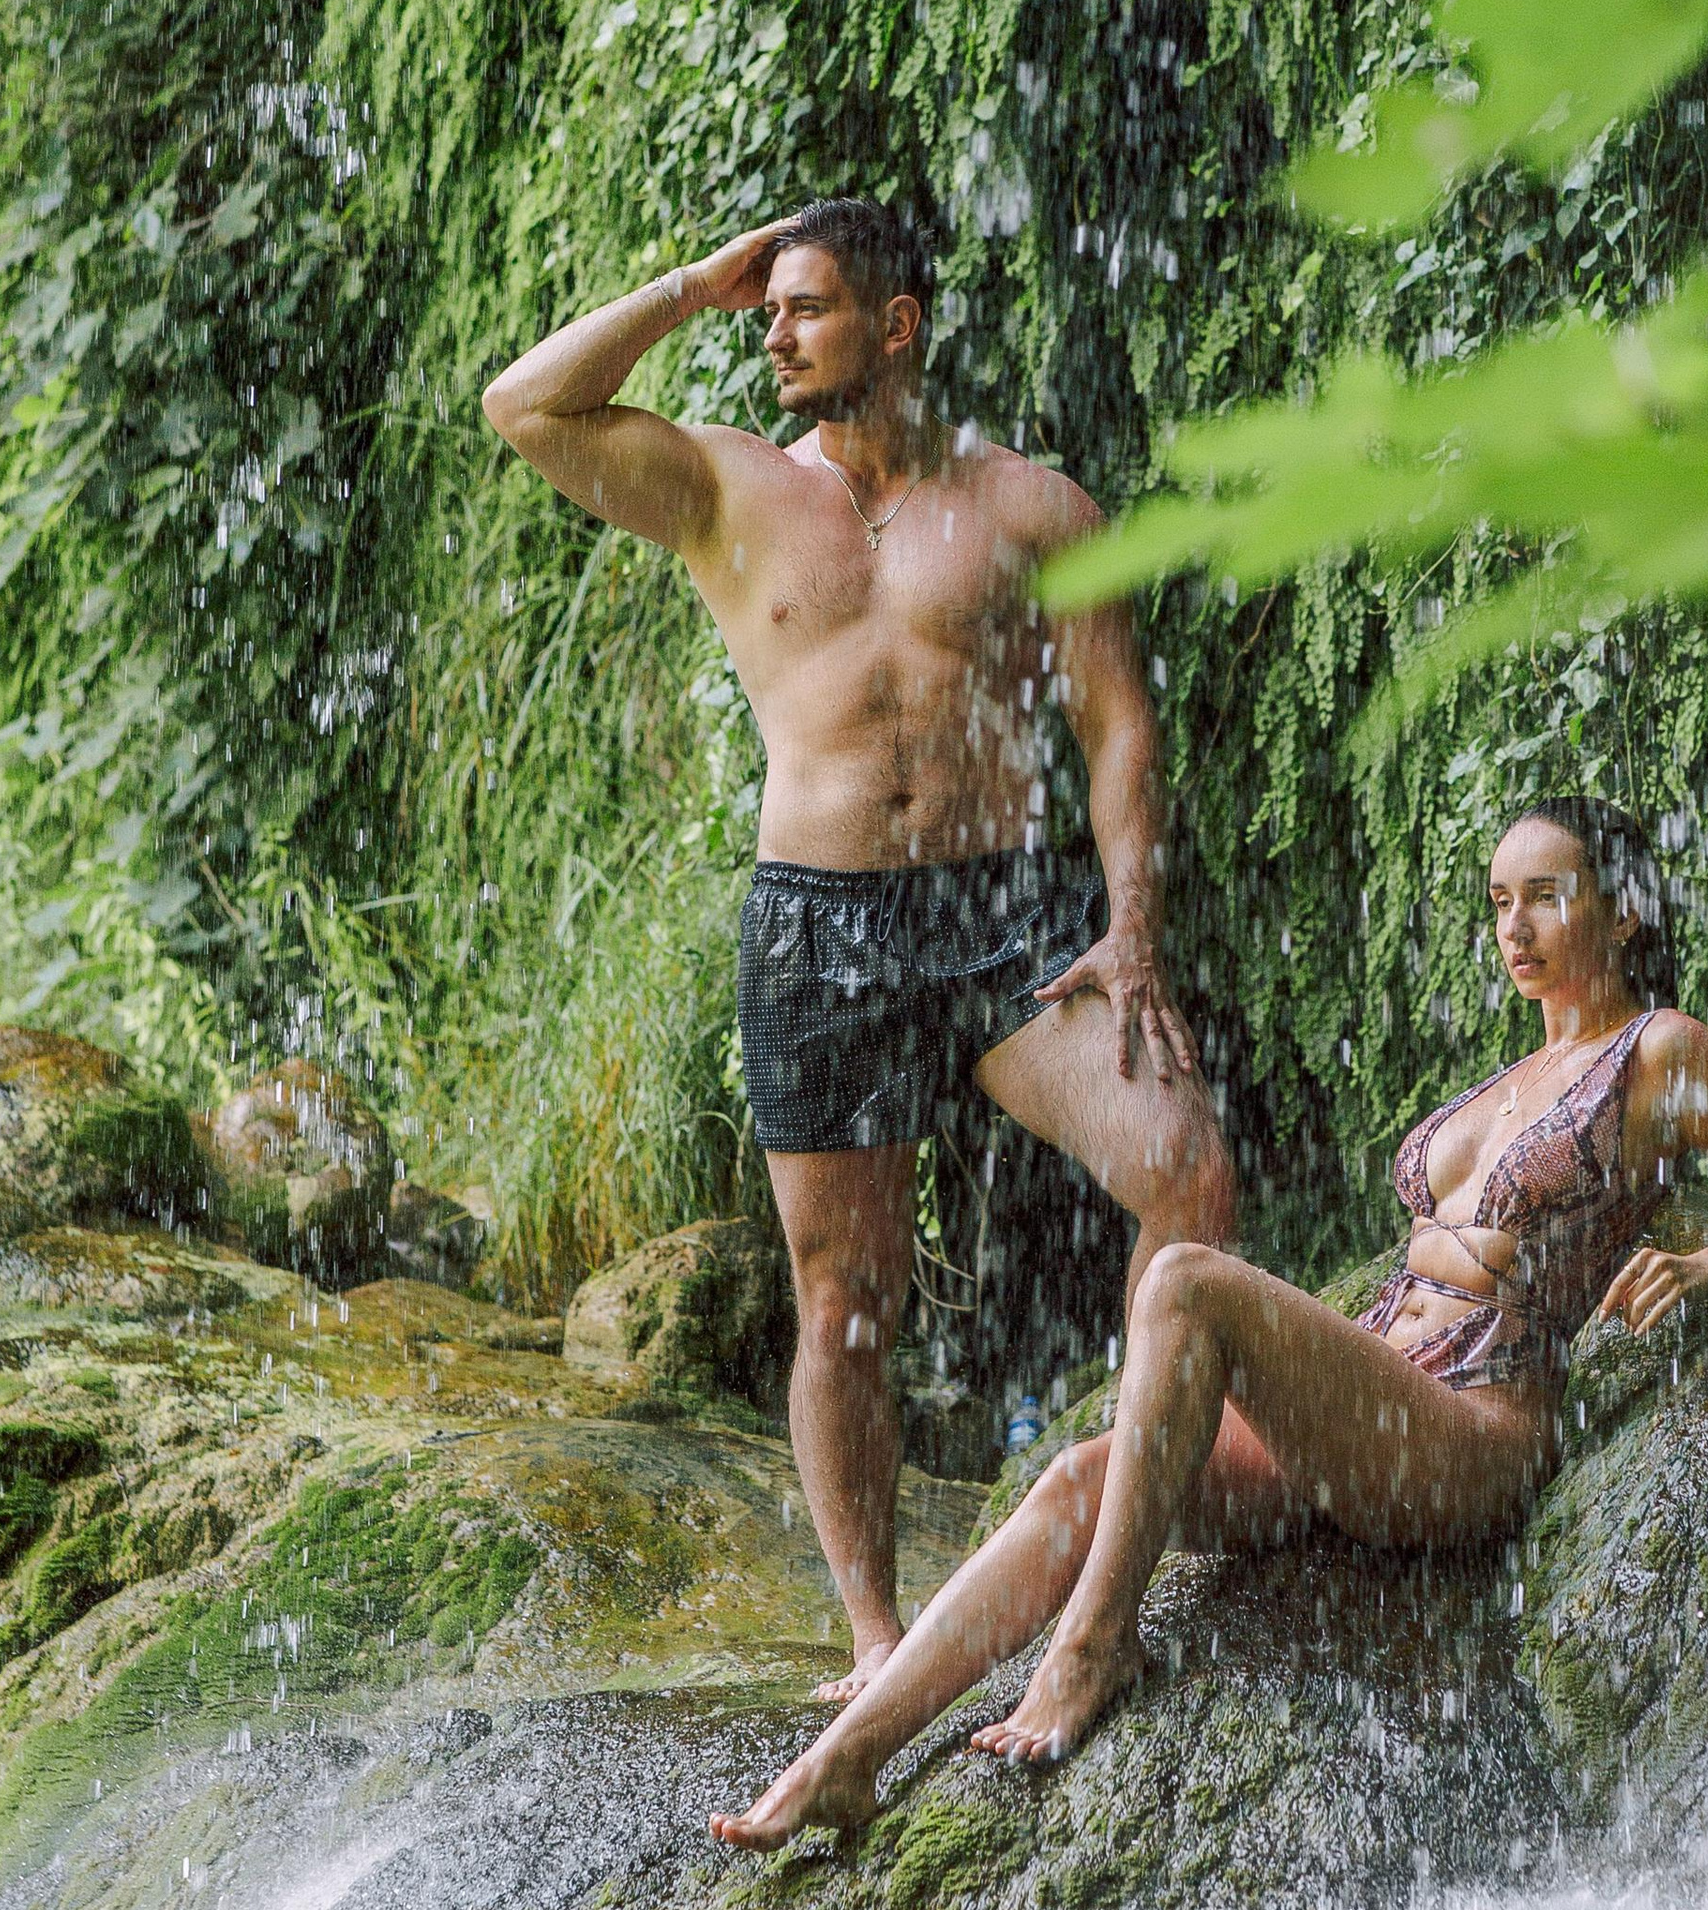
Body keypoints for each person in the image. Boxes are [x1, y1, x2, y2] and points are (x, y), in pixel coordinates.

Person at [708, 794, 1708, 1847]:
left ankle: (1094, 1645)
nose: (1514, 925)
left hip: (1473, 1431)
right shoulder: (1511, 1075)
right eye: (1497, 901)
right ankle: (848, 1756)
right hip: (1368, 1405)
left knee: (1187, 1278)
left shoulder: (1661, 1050)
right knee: (1074, 1484)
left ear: (1622, 908)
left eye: (1546, 894)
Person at [482, 198, 1236, 1702]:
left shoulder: (1034, 510)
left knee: (1186, 1168)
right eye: (765, 311)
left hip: (1003, 910)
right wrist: (697, 281)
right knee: (845, 1301)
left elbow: (1118, 725)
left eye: (803, 308)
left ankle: (1126, 1544)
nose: (772, 333)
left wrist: (1131, 927)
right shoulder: (725, 488)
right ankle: (878, 1639)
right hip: (816, 925)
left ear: (896, 326)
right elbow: (524, 404)